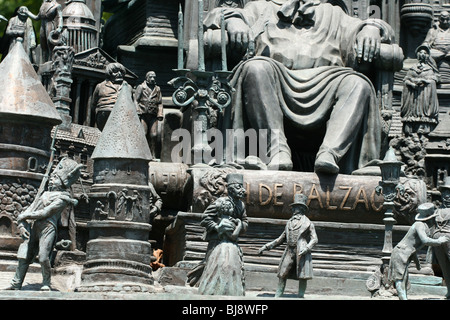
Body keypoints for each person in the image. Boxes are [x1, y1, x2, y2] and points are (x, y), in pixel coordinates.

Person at [203, 0, 399, 174]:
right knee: (255, 68)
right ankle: (277, 151)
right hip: (274, 81)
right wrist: (233, 20)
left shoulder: (332, 13)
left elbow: (368, 27)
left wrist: (371, 28)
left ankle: (330, 155)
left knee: (358, 84)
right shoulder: (262, 8)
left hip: (327, 84)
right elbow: (217, 15)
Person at [3, 157, 83, 291]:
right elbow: (31, 208)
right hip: (34, 227)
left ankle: (46, 282)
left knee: (43, 257)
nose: (52, 179)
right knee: (24, 256)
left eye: (56, 178)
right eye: (52, 177)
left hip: (48, 228)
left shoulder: (62, 198)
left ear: (63, 182)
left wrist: (25, 215)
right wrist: (21, 223)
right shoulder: (44, 194)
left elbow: (46, 212)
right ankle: (16, 283)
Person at [186, 173, 248, 290]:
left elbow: (245, 222)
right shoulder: (220, 202)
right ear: (230, 189)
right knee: (209, 262)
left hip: (231, 239)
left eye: (242, 186)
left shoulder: (241, 205)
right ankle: (193, 280)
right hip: (216, 238)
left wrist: (238, 225)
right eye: (238, 187)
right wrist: (217, 227)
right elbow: (205, 218)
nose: (242, 190)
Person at [258, 193, 318, 298]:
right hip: (289, 251)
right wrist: (266, 247)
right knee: (282, 273)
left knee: (302, 276)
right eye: (293, 207)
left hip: (301, 251)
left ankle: (300, 296)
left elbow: (314, 239)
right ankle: (278, 295)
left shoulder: (308, 223)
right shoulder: (289, 223)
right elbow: (280, 239)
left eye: (295, 207)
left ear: (301, 209)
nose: (293, 210)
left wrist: (307, 248)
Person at [388, 202, 449, 300]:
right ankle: (403, 298)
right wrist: (439, 241)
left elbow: (413, 247)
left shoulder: (425, 226)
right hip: (400, 252)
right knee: (400, 278)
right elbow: (425, 240)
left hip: (406, 253)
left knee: (405, 277)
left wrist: (417, 262)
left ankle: (404, 297)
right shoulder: (419, 225)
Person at [197, 196, 246, 295]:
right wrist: (239, 225)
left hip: (223, 247)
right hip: (227, 248)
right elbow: (233, 236)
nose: (231, 209)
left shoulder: (224, 220)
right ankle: (225, 291)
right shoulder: (225, 223)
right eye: (229, 207)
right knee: (226, 268)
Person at [401, 44, 440, 135]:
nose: (422, 54)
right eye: (420, 52)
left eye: (424, 53)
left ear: (427, 56)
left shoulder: (429, 69)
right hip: (412, 98)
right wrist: (411, 84)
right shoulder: (412, 69)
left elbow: (433, 80)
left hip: (424, 97)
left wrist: (424, 81)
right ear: (417, 54)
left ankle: (423, 124)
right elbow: (406, 79)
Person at [134, 71, 164, 157]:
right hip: (144, 114)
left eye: (154, 77)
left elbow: (160, 102)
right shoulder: (141, 87)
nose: (152, 79)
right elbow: (136, 100)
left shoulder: (157, 89)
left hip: (153, 115)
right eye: (150, 77)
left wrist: (160, 114)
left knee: (154, 135)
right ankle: (142, 153)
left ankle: (153, 154)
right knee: (143, 133)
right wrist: (137, 110)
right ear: (146, 78)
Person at [430, 177, 450, 300]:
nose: (447, 196)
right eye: (445, 193)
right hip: (438, 242)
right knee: (444, 266)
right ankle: (449, 289)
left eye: (449, 193)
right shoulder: (437, 209)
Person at [92, 62, 127, 131]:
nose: (119, 74)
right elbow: (93, 104)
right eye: (115, 71)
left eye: (121, 72)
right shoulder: (100, 86)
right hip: (104, 112)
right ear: (109, 73)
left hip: (120, 114)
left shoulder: (127, 87)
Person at [423, 11, 450, 83]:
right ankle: (435, 74)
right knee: (425, 54)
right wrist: (425, 46)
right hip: (436, 52)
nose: (445, 22)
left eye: (447, 19)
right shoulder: (432, 31)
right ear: (439, 19)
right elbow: (426, 42)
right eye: (442, 19)